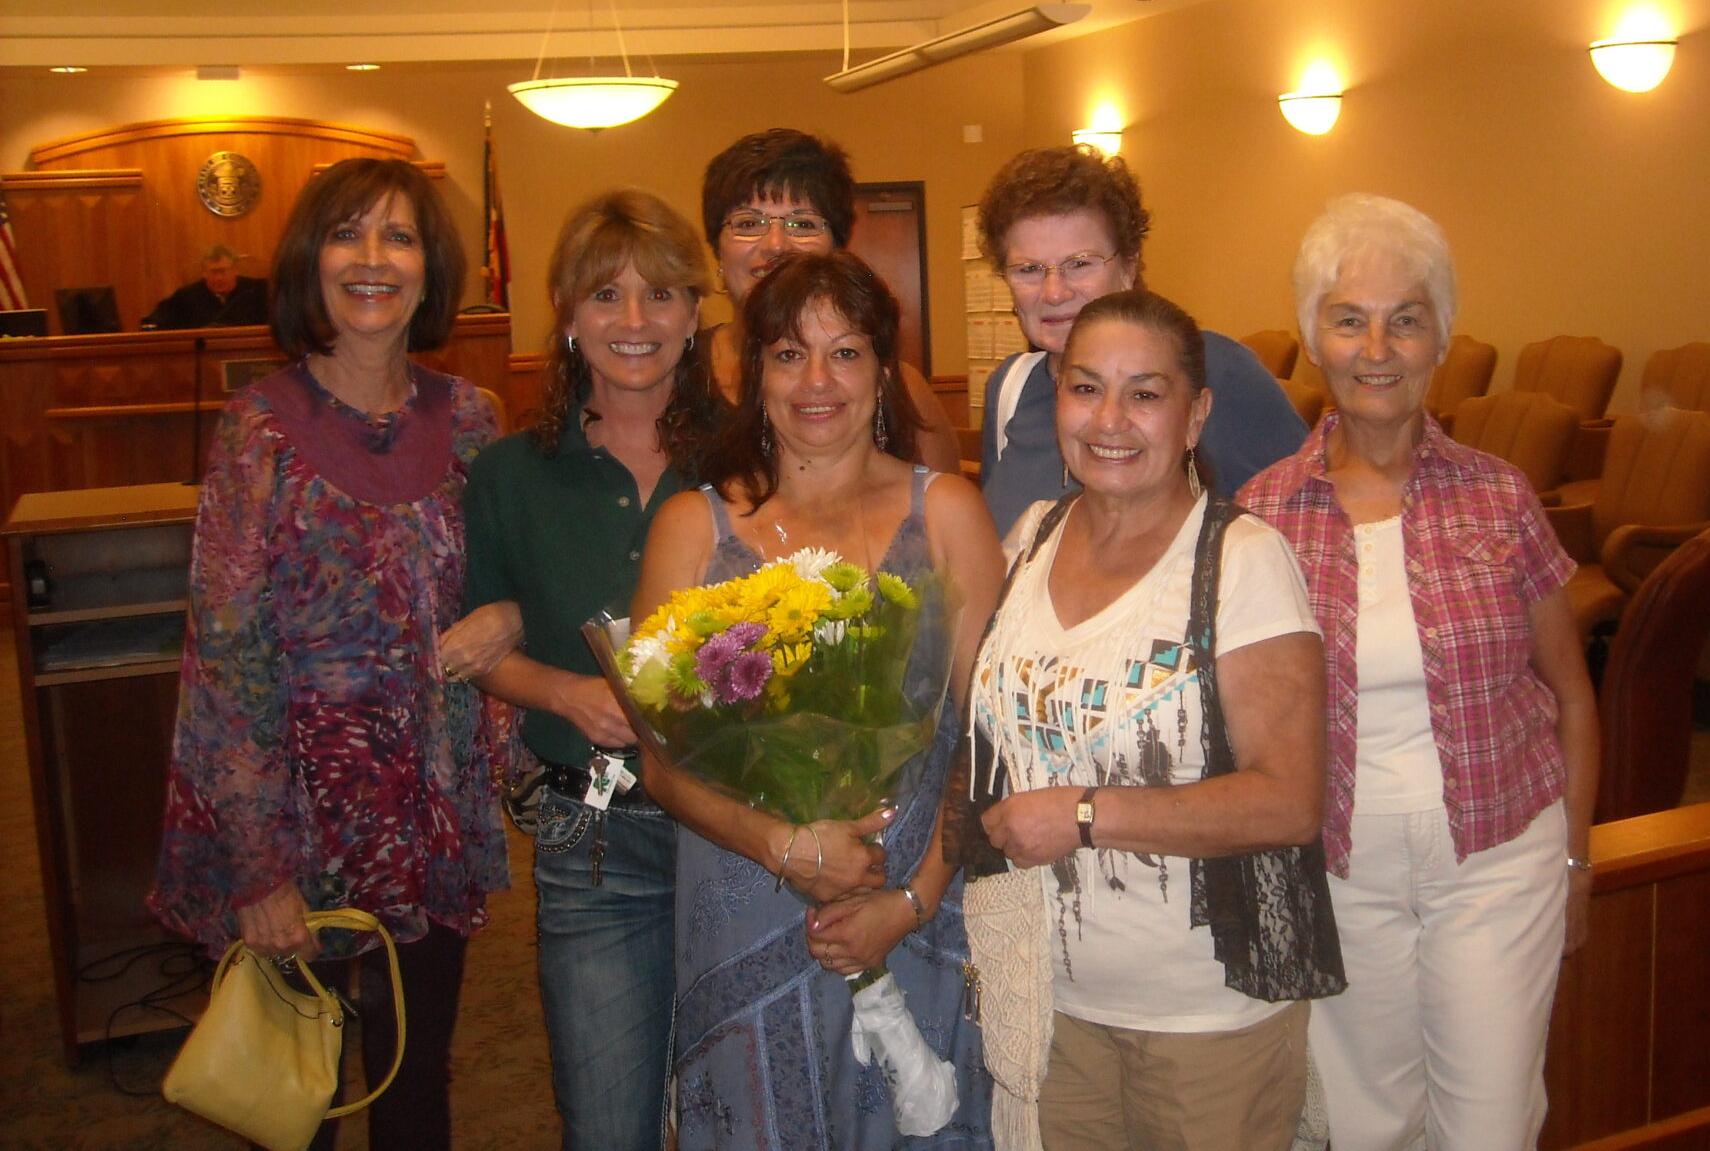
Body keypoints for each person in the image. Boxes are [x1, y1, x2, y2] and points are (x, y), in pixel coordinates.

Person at [149, 158, 509, 1150]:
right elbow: (226, 659)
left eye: (397, 238)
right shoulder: (258, 426)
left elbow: (511, 580)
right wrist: (256, 866)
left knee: (415, 1077)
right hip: (298, 818)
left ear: (430, 270)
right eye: (348, 236)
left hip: (429, 810)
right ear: (311, 266)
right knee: (295, 1096)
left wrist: (511, 619)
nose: (372, 260)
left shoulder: (473, 416)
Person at [1237, 194, 1601, 1151]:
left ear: (1441, 336)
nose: (1377, 347)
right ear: (1316, 336)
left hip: (1497, 858)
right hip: (1338, 865)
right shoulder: (1262, 514)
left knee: (1489, 1125)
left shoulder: (1499, 493)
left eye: (1406, 319)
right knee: (1366, 1128)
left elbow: (1570, 692)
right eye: (1349, 318)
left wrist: (1576, 862)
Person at [958, 288, 1345, 1151]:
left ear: (1196, 412)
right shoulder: (1030, 538)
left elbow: (1287, 802)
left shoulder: (1242, 562)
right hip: (1050, 1004)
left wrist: (1084, 815)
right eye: (1086, 387)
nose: (1111, 420)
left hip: (1203, 1019)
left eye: (1146, 393)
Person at [634, 249, 1003, 1149]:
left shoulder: (947, 511)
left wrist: (908, 900)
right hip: (748, 898)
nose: (817, 382)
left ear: (884, 371)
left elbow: (985, 737)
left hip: (913, 903)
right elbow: (658, 757)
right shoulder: (693, 525)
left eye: (845, 353)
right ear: (754, 372)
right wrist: (785, 845)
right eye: (790, 354)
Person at [457, 191, 724, 1151]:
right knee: (607, 1124)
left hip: (739, 837)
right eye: (606, 295)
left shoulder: (753, 456)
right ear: (567, 317)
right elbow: (482, 650)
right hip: (595, 841)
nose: (636, 322)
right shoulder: (510, 475)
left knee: (746, 1115)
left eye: (661, 295)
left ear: (697, 314)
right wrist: (564, 691)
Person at [974, 144, 1308, 535]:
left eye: (1079, 263)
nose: (1054, 292)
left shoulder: (1215, 370)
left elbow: (1312, 514)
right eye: (1028, 269)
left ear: (1130, 266)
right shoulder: (1011, 388)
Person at [699, 127, 962, 473]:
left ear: (837, 249)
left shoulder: (899, 388)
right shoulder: (678, 374)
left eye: (802, 224)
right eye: (748, 223)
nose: (775, 244)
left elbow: (939, 511)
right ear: (717, 250)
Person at [143, 243, 270, 328]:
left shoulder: (256, 290)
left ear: (235, 269)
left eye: (223, 271)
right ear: (203, 273)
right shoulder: (186, 297)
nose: (219, 278)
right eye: (213, 272)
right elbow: (154, 322)